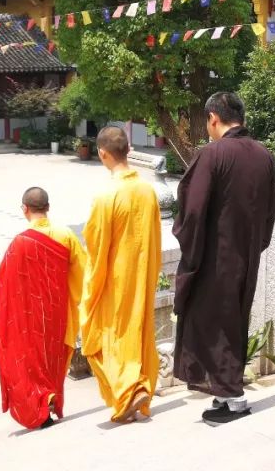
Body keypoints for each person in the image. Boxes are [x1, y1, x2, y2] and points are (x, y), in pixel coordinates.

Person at [172, 92, 275, 425]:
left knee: (211, 323)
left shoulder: (213, 154)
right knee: (231, 322)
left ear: (213, 119)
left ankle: (234, 396)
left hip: (215, 257)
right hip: (246, 256)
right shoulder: (264, 155)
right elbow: (270, 209)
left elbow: (192, 210)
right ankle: (224, 393)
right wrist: (255, 245)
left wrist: (190, 245)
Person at [81, 126, 162, 423]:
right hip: (142, 278)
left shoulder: (106, 196)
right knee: (138, 335)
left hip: (115, 284)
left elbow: (97, 247)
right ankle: (137, 386)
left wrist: (91, 288)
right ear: (128, 149)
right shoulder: (147, 189)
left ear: (103, 154)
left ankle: (129, 388)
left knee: (103, 340)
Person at [0, 187, 88, 430]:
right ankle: (51, 399)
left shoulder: (20, 242)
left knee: (32, 363)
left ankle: (41, 406)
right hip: (58, 315)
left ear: (25, 209)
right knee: (53, 361)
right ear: (48, 207)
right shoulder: (65, 235)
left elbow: (3, 278)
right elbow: (81, 275)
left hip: (30, 319)